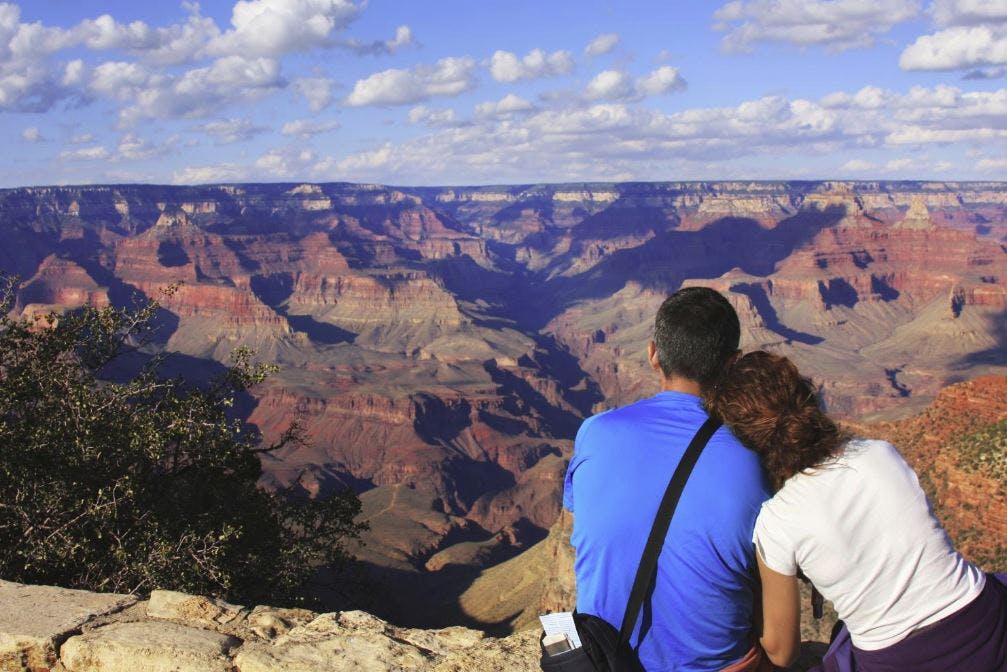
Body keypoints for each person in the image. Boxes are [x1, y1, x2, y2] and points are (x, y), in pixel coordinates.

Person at [705, 350, 1007, 671]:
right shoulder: (880, 453)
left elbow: (782, 652)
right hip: (986, 620)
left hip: (898, 661)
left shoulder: (777, 523)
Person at [563, 287, 772, 671]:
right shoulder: (756, 457)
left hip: (605, 660)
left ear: (653, 353)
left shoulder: (594, 431)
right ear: (733, 364)